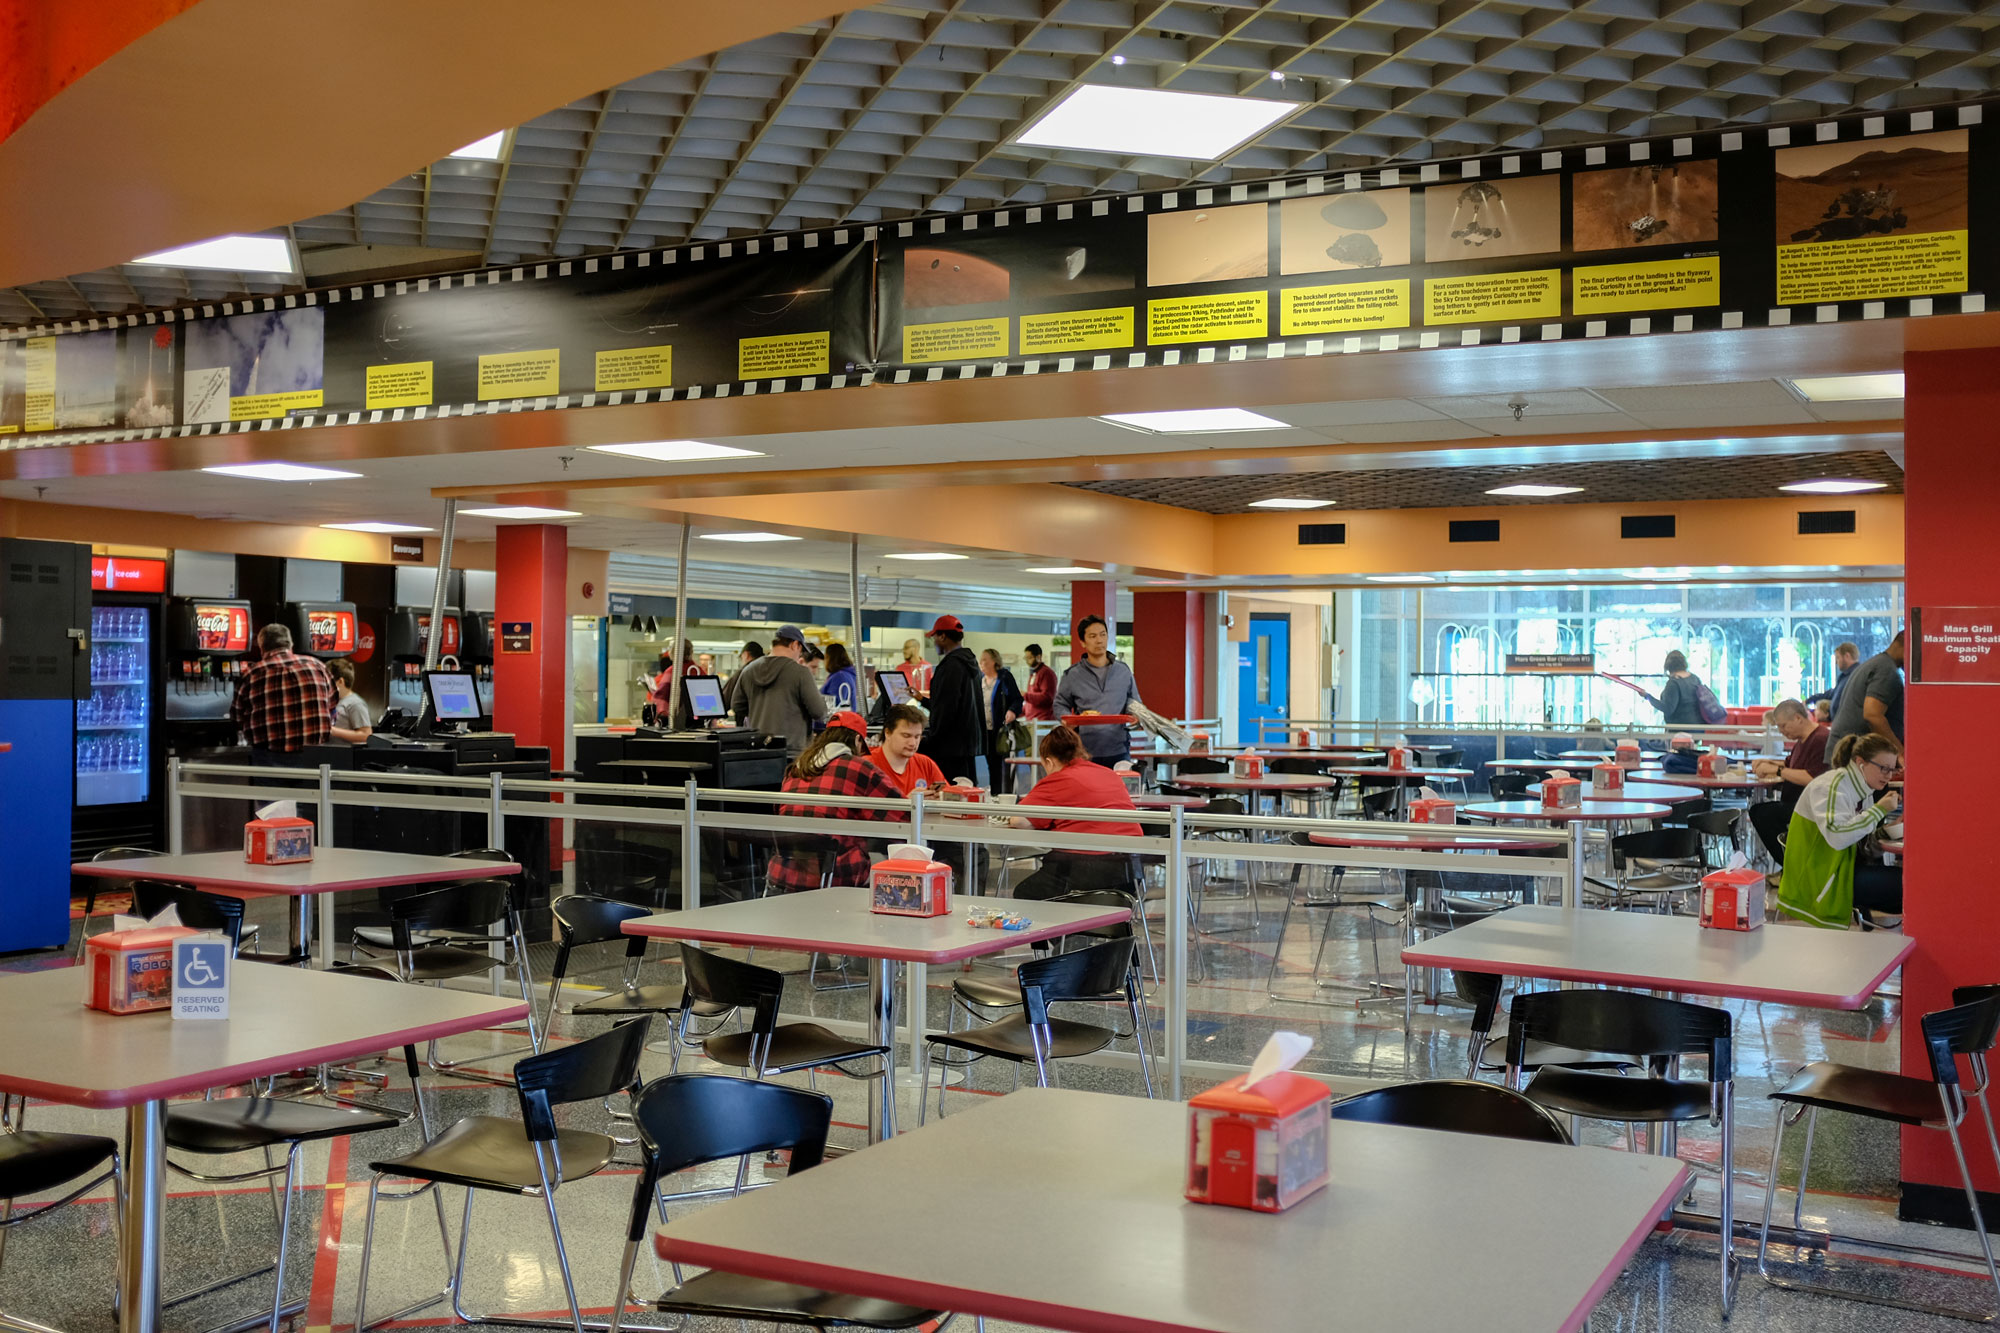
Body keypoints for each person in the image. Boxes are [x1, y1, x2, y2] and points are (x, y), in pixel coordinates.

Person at [1776, 733, 1903, 929]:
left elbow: (1863, 846)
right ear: (1860, 762)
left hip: (1843, 869)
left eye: (1892, 769)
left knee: (1906, 883)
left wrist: (1887, 831)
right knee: (1905, 887)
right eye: (1883, 768)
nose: (1888, 775)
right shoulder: (1831, 787)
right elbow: (1838, 837)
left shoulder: (1862, 789)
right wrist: (1879, 810)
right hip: (1819, 878)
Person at [766, 711, 903, 893]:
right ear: (857, 741)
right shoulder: (859, 768)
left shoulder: (795, 768)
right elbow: (903, 818)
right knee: (888, 863)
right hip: (835, 877)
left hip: (782, 876)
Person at [1006, 724, 1144, 899]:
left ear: (1048, 761)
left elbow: (1019, 821)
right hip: (1132, 873)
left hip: (1084, 871)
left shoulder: (1059, 778)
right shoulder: (1108, 773)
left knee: (1025, 894)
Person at [230, 624, 336, 764]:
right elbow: (332, 704)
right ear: (290, 644)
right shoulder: (317, 666)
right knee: (313, 787)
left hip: (270, 757)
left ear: (262, 648)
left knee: (271, 787)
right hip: (314, 757)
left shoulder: (252, 673)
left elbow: (237, 718)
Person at [1054, 614, 1141, 766]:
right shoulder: (1072, 674)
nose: (1099, 640)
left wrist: (1136, 716)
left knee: (1117, 789)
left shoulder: (1123, 671)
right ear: (1082, 642)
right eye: (1093, 636)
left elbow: (1134, 702)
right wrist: (1067, 719)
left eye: (1103, 635)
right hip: (1084, 750)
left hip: (1119, 748)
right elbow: (1059, 704)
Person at [730, 624, 827, 759]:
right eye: (800, 650)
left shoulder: (749, 670)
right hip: (793, 751)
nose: (799, 654)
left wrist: (759, 711)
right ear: (794, 645)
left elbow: (737, 706)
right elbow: (818, 712)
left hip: (758, 750)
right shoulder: (800, 673)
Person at [919, 614, 983, 784]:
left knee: (950, 796)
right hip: (966, 747)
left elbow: (946, 708)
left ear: (943, 636)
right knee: (967, 792)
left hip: (948, 749)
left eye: (935, 637)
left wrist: (930, 738)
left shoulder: (950, 666)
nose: (934, 643)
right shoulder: (970, 664)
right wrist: (921, 699)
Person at [1830, 632, 1905, 755]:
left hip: (1845, 749)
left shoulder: (1875, 663)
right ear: (1907, 647)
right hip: (1853, 755)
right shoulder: (1886, 670)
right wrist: (1900, 753)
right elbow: (1873, 715)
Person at [1752, 697, 1830, 813]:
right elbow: (1790, 764)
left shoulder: (1820, 740)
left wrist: (1776, 770)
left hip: (1809, 809)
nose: (1781, 731)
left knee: (1760, 813)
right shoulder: (1803, 739)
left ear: (1798, 718)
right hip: (1796, 803)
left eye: (1783, 726)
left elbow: (1812, 777)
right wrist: (1767, 762)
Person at [868, 703, 947, 796]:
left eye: (917, 737)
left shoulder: (926, 764)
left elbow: (949, 800)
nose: (912, 743)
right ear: (888, 733)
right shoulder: (867, 766)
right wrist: (907, 805)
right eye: (906, 736)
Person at [978, 648, 1025, 797]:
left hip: (1001, 730)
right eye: (981, 659)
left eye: (985, 659)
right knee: (991, 764)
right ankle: (994, 794)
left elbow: (1017, 699)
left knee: (1002, 764)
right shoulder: (980, 680)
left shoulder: (1004, 677)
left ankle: (1004, 795)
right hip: (985, 730)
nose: (982, 662)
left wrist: (1011, 711)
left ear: (994, 661)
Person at [1640, 650, 1707, 727]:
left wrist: (1647, 696)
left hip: (1680, 730)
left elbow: (1667, 708)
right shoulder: (1694, 678)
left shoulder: (1674, 683)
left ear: (1669, 667)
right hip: (1698, 727)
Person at [648, 639, 705, 729]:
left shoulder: (672, 671)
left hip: (676, 722)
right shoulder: (699, 671)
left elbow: (660, 697)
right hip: (699, 722)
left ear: (673, 652)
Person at [327, 658, 373, 744]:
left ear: (340, 681)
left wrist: (332, 731)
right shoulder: (333, 701)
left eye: (328, 681)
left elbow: (366, 735)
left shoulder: (355, 704)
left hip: (345, 755)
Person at [1806, 642, 1860, 711]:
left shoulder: (1855, 677)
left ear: (1847, 656)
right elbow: (1831, 694)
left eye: (1838, 658)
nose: (1836, 662)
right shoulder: (1845, 677)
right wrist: (1810, 700)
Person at [721, 640, 764, 719]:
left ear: (746, 654)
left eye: (741, 657)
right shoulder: (769, 670)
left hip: (746, 724)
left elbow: (725, 700)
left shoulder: (744, 672)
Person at [1021, 643, 1057, 721]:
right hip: (1032, 720)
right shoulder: (1034, 673)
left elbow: (1047, 697)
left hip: (1042, 721)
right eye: (1026, 658)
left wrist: (1025, 695)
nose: (1027, 661)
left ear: (1038, 657)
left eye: (1029, 658)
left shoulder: (1046, 673)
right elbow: (1031, 702)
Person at [820, 642, 859, 712]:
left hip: (837, 721)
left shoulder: (840, 677)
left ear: (830, 658)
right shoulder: (844, 675)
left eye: (826, 658)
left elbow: (834, 704)